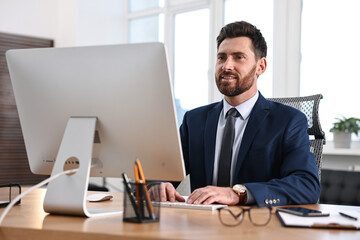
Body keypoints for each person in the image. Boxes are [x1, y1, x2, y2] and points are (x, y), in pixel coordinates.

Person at [161, 21, 320, 206]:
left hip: (257, 228)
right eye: (221, 58)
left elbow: (306, 185)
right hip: (202, 226)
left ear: (261, 66)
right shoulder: (194, 120)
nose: (226, 66)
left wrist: (237, 193)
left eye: (238, 57)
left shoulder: (288, 121)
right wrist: (157, 185)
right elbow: (164, 174)